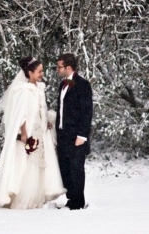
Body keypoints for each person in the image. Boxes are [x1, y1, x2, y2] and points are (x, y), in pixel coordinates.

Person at [0, 56, 66, 209]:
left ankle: (36, 197)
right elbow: (22, 114)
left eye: (42, 71)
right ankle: (24, 198)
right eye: (39, 71)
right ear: (30, 72)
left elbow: (40, 109)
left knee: (39, 163)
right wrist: (24, 133)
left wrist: (45, 120)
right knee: (29, 163)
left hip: (40, 129)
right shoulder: (24, 91)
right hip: (31, 131)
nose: (42, 74)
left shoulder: (39, 88)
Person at [54, 53, 93, 210]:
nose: (57, 69)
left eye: (59, 67)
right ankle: (71, 199)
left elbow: (86, 111)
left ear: (68, 67)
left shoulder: (82, 84)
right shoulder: (63, 84)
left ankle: (78, 203)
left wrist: (82, 135)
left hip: (76, 136)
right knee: (65, 169)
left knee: (76, 170)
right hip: (63, 135)